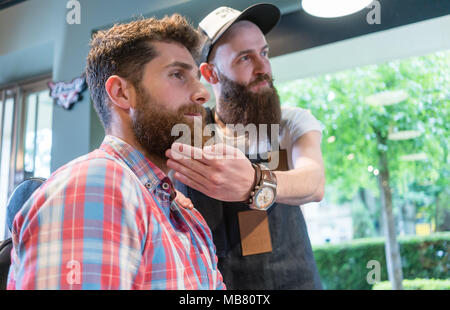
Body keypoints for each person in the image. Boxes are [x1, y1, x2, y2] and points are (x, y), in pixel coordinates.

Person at [7, 15, 225, 290]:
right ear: (121, 93)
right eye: (177, 75)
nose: (203, 93)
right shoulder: (95, 184)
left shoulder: (183, 211)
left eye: (196, 77)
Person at [167, 4, 325, 289]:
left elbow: (314, 183)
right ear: (211, 74)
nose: (263, 67)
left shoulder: (291, 123)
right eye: (245, 58)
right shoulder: (187, 134)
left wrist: (255, 181)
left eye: (264, 53)